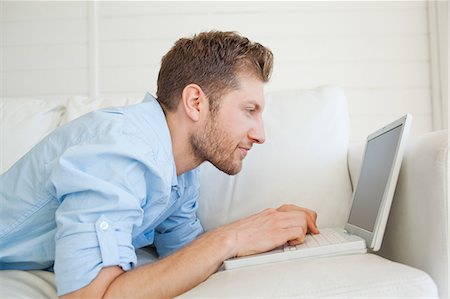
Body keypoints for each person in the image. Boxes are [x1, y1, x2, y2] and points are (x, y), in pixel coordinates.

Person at [0, 31, 319, 298]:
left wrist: (268, 227)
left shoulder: (181, 170)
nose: (260, 134)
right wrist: (230, 238)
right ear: (196, 103)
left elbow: (188, 256)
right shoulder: (121, 150)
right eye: (249, 110)